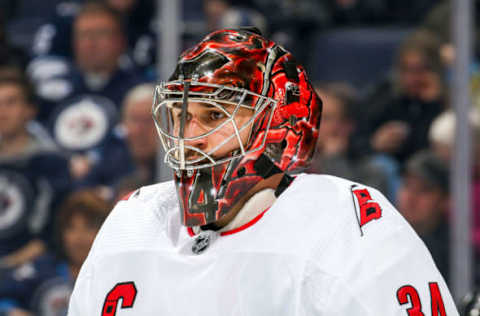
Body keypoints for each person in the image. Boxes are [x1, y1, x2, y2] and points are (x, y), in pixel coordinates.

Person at [68, 28, 458, 315]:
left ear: (279, 129)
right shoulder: (133, 219)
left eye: (214, 116)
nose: (189, 137)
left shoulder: (345, 222)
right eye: (182, 116)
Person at [0, 189, 111, 316]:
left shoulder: (114, 273)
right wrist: (11, 311)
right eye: (71, 228)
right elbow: (5, 297)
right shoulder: (41, 268)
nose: (78, 238)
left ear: (105, 230)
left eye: (89, 227)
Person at [0, 71, 71, 269]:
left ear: (29, 110)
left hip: (35, 268)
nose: (2, 112)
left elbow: (56, 228)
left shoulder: (51, 162)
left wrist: (10, 264)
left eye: (10, 103)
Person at [396, 150, 450, 282]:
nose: (411, 198)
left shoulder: (456, 254)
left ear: (445, 200)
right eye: (407, 185)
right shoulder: (383, 238)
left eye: (424, 190)